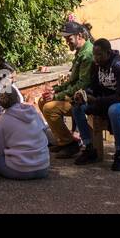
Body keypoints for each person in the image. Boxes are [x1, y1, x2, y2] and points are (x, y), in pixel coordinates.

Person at [72, 38, 120, 172]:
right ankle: (89, 148)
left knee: (114, 110)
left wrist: (96, 101)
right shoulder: (96, 66)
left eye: (99, 55)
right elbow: (94, 89)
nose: (96, 58)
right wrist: (84, 95)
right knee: (77, 108)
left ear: (108, 53)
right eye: (94, 54)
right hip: (103, 101)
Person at [37, 20, 93, 156]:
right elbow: (72, 81)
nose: (67, 42)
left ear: (79, 36)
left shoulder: (87, 55)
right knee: (42, 101)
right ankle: (63, 140)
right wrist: (55, 90)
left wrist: (56, 96)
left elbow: (82, 85)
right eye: (66, 39)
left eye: (69, 39)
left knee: (49, 108)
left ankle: (69, 143)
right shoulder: (80, 52)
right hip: (75, 95)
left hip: (85, 98)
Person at [0, 86, 53, 180]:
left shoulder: (2, 121)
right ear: (18, 97)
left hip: (19, 170)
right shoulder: (33, 112)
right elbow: (43, 131)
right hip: (43, 167)